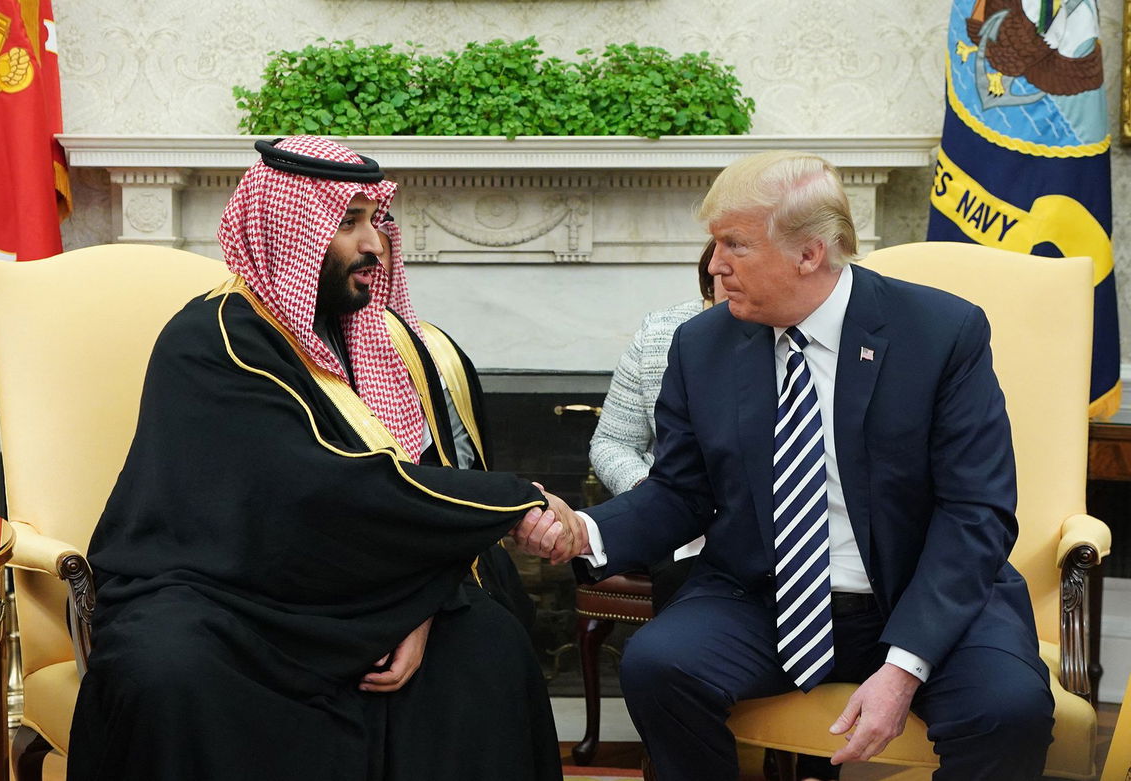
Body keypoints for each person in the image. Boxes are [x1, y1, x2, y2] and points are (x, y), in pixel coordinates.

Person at [516, 150, 1054, 781]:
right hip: (765, 597)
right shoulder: (703, 343)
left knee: (1008, 710)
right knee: (660, 665)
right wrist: (587, 529)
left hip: (924, 593)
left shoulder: (941, 333)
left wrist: (905, 666)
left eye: (734, 246)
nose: (714, 266)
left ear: (809, 254)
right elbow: (680, 492)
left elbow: (975, 512)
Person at [67, 136, 565, 781]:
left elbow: (444, 480)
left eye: (376, 220)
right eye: (346, 222)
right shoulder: (212, 341)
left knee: (486, 650)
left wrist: (424, 604)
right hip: (223, 594)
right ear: (286, 233)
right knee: (166, 670)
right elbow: (314, 490)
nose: (374, 245)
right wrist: (515, 500)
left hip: (378, 587)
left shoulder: (406, 349)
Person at [588, 239, 719, 613]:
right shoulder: (661, 331)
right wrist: (648, 489)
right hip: (675, 517)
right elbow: (611, 441)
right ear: (709, 283)